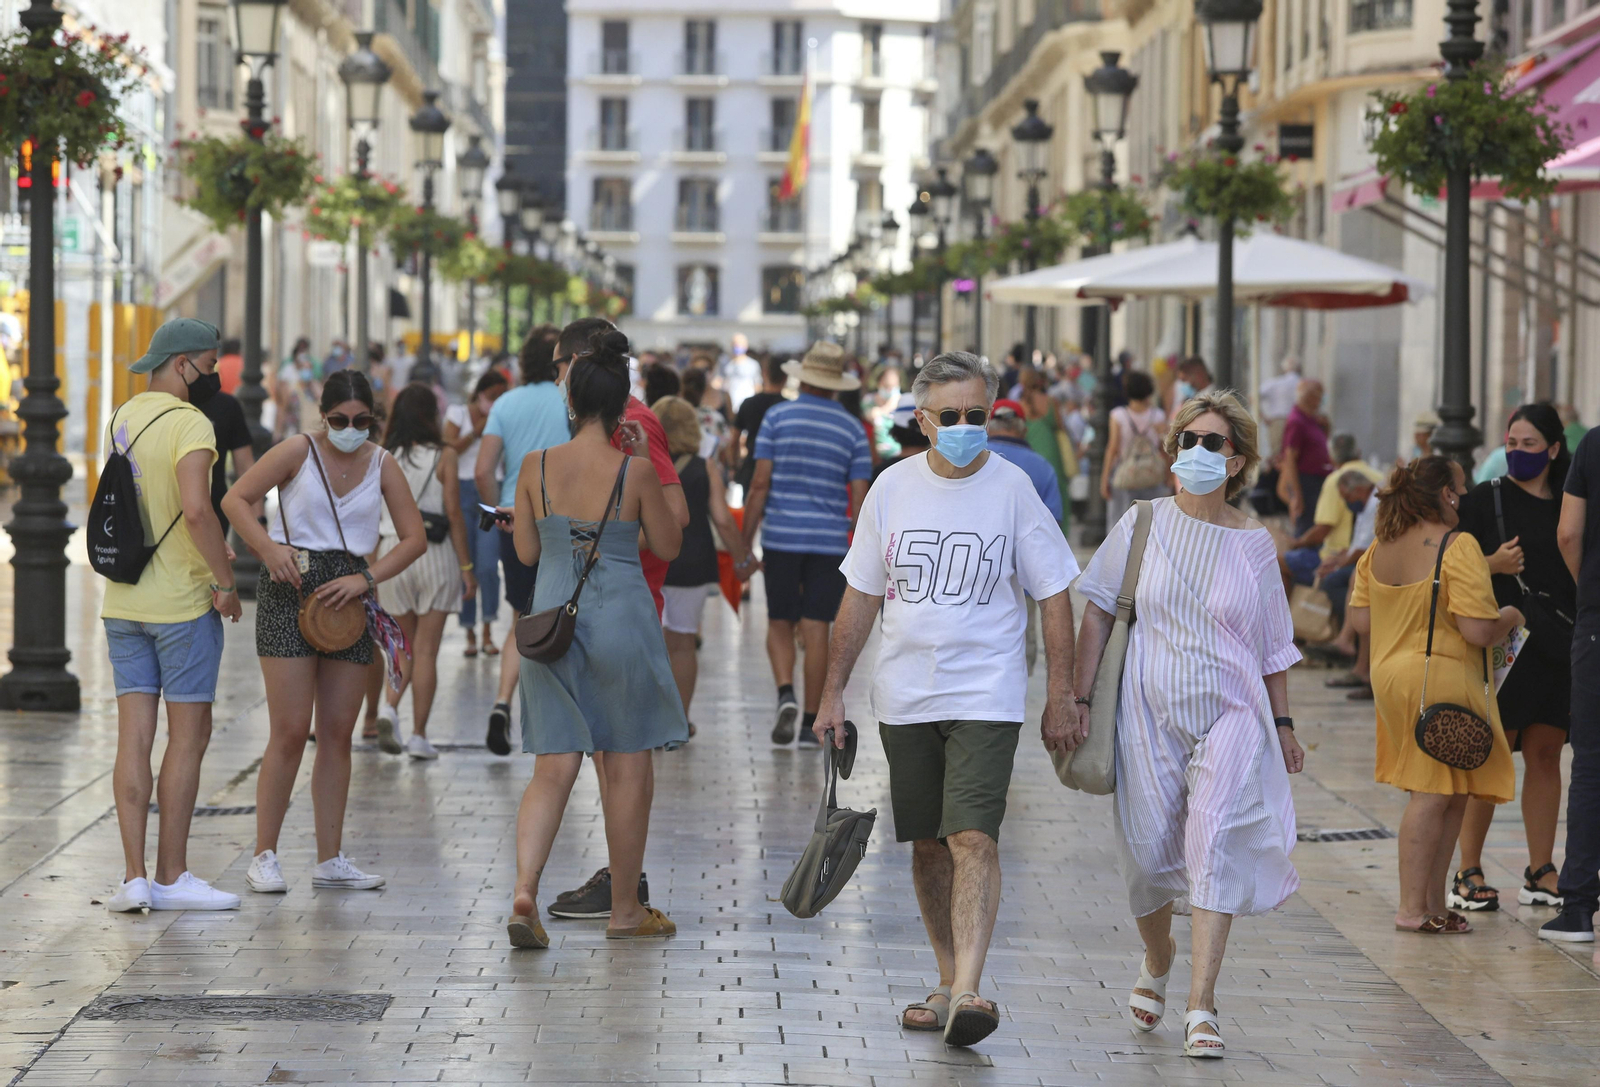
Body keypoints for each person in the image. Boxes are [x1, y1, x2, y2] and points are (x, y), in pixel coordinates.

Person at [814, 351, 1081, 1048]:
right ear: (923, 420)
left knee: (973, 836)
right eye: (952, 416)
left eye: (977, 415)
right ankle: (943, 976)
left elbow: (1054, 591)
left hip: (987, 690)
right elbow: (861, 595)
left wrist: (1061, 691)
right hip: (904, 694)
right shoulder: (891, 489)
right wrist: (831, 691)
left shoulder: (1013, 487)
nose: (966, 427)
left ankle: (969, 986)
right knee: (930, 843)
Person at [1074, 389, 1304, 1058]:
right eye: (1191, 440)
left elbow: (1273, 645)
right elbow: (1095, 608)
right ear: (1173, 449)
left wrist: (1283, 722)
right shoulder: (1142, 522)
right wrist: (1076, 697)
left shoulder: (1256, 544)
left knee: (1215, 840)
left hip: (1232, 712)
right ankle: (1159, 954)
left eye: (1216, 443)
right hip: (1147, 714)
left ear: (1238, 462)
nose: (1201, 452)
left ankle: (1202, 1003)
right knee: (1147, 854)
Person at [505, 327, 686, 948]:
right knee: (628, 760)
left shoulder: (536, 466)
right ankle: (625, 911)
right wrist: (645, 476)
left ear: (572, 401)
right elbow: (668, 545)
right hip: (622, 623)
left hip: (552, 622)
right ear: (622, 405)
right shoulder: (633, 470)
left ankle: (525, 888)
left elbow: (527, 552)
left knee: (552, 766)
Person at [223, 370, 428, 895]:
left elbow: (414, 538)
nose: (350, 429)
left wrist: (367, 578)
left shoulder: (382, 463)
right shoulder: (297, 450)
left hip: (349, 596)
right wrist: (268, 549)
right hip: (290, 587)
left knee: (337, 731)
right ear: (324, 414)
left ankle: (329, 857)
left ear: (374, 420)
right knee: (290, 730)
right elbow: (236, 500)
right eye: (339, 420)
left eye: (361, 421)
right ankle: (263, 854)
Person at [101, 318, 245, 913]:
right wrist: (226, 581)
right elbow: (194, 510)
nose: (213, 375)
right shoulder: (192, 423)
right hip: (182, 604)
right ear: (183, 362)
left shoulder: (122, 416)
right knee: (189, 736)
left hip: (124, 599)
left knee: (134, 737)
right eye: (210, 365)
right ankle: (171, 875)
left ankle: (133, 878)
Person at [1347, 456, 1518, 937]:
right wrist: (1510, 615)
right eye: (1460, 488)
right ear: (1444, 493)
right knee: (1432, 794)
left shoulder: (1379, 548)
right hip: (1441, 678)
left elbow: (1361, 621)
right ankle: (1411, 907)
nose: (1462, 497)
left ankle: (1432, 902)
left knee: (1451, 792)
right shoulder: (1456, 545)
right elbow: (1478, 629)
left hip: (1391, 679)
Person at [1452, 404, 1576, 913]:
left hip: (1559, 643)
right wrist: (1492, 562)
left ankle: (1540, 868)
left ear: (1552, 448)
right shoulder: (1487, 498)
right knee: (1489, 754)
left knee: (1547, 753)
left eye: (1528, 445)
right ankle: (1468, 868)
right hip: (1506, 645)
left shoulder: (1570, 501)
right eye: (1511, 442)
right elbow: (1447, 561)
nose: (1517, 452)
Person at [740, 342, 872, 746]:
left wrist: (745, 543)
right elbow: (860, 495)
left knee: (780, 621)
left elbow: (759, 483)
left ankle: (785, 695)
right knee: (817, 626)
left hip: (781, 536)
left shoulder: (777, 417)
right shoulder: (852, 428)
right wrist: (859, 545)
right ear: (836, 384)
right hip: (830, 542)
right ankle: (809, 721)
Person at [371, 384, 477, 760]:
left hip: (391, 553)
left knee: (401, 645)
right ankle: (418, 736)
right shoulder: (443, 455)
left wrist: (371, 565)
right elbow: (453, 511)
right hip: (435, 553)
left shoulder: (382, 455)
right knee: (427, 651)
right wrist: (467, 567)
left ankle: (388, 709)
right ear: (431, 415)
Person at [475, 326, 567, 754]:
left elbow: (482, 469)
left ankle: (502, 701)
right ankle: (554, 711)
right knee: (563, 615)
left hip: (515, 519)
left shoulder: (505, 404)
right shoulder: (571, 402)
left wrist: (497, 512)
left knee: (521, 617)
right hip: (564, 521)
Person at [653, 395, 754, 734]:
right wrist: (742, 558)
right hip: (692, 564)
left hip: (649, 560)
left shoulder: (642, 464)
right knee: (682, 642)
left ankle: (648, 717)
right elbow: (723, 520)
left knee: (649, 640)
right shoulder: (702, 466)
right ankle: (679, 720)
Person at [1543, 426, 1600, 941]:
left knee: (1592, 764)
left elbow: (1567, 533)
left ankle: (1578, 907)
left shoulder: (1594, 444)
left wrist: (1590, 591)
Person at [988, 398, 1065, 678]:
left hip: (974, 576)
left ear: (988, 425)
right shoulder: (1042, 467)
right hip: (1024, 581)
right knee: (1020, 649)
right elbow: (1053, 526)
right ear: (1022, 429)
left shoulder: (975, 460)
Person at [444, 370, 509, 657]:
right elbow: (448, 450)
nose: (495, 402)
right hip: (461, 492)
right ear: (480, 393)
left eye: (500, 397)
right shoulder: (457, 413)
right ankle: (469, 630)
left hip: (488, 492)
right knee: (466, 564)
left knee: (487, 564)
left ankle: (488, 628)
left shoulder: (502, 415)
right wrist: (476, 431)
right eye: (492, 396)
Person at [1101, 370, 1170, 528]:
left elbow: (1113, 448)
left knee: (1120, 523)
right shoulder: (1158, 416)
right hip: (1152, 475)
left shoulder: (1118, 415)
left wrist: (1104, 478)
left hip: (1125, 475)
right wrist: (1168, 474)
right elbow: (1163, 449)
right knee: (1153, 524)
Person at [197, 386, 258, 538]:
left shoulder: (226, 405)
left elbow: (246, 468)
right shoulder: (165, 408)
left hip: (215, 517)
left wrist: (257, 522)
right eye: (210, 364)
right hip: (174, 521)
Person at [1276, 378, 1333, 535]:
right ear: (1310, 397)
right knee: (1306, 528)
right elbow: (1290, 458)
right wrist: (1297, 494)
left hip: (1317, 481)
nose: (1321, 400)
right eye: (1320, 395)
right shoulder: (1296, 421)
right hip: (1306, 482)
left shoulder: (1312, 419)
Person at [733, 355, 788, 493]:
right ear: (785, 377)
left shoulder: (748, 404)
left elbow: (733, 439)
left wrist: (734, 466)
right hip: (780, 471)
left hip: (751, 467)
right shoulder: (788, 407)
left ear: (764, 373)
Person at [1258, 355, 1301, 457]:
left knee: (1277, 454)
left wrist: (1264, 417)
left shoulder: (1274, 383)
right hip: (1299, 421)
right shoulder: (1303, 383)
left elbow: (1253, 397)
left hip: (1278, 421)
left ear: (1284, 368)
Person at [719, 332, 762, 411]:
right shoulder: (724, 363)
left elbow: (757, 385)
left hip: (747, 405)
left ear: (746, 346)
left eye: (740, 344)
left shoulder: (753, 364)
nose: (737, 347)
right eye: (735, 344)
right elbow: (720, 382)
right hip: (728, 405)